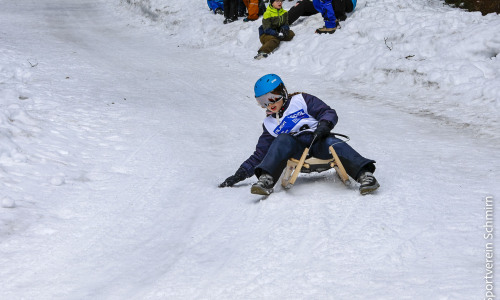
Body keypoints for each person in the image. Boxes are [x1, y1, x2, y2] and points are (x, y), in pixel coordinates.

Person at [219, 74, 380, 196]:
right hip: (294, 148)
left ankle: (365, 175)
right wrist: (239, 174)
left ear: (282, 92)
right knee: (281, 140)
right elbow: (260, 154)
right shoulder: (269, 124)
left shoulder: (301, 100)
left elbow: (327, 112)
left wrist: (324, 125)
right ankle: (266, 180)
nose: (268, 104)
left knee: (333, 142)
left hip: (318, 139)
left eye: (271, 98)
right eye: (262, 101)